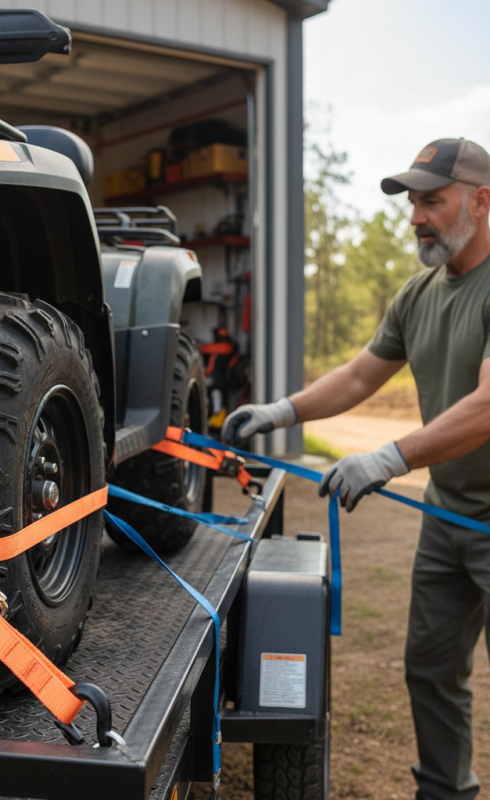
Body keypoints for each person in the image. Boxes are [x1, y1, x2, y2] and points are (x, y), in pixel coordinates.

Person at [223, 138, 490, 800]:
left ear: (483, 201)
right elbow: (357, 377)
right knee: (430, 670)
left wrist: (390, 457)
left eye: (432, 200)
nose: (416, 217)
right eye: (412, 204)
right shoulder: (418, 293)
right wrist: (280, 411)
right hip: (449, 516)